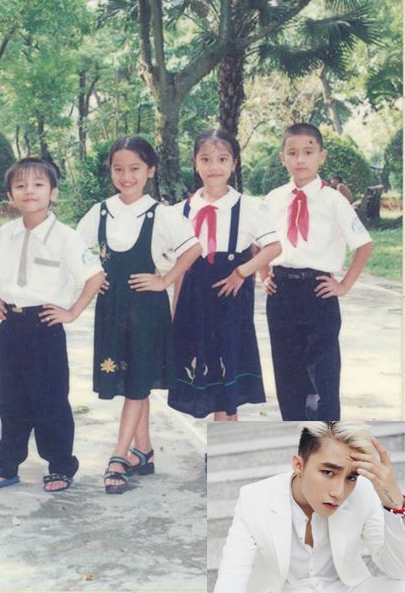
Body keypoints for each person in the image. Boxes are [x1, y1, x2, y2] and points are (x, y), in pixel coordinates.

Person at [77, 136, 201, 493]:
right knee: (134, 380)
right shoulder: (100, 211)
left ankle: (119, 455)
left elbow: (193, 249)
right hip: (111, 309)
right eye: (118, 169)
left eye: (134, 168)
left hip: (146, 311)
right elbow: (76, 249)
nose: (126, 176)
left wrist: (164, 280)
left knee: (137, 382)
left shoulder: (161, 214)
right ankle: (143, 451)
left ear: (150, 170)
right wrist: (93, 275)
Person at [0, 157, 105, 493]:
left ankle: (60, 466)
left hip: (45, 326)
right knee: (10, 398)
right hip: (11, 327)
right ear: (11, 195)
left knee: (50, 399)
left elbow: (95, 276)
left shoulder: (65, 237)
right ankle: (5, 466)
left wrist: (72, 312)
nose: (29, 191)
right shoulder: (5, 233)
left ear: (53, 192)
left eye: (38, 184)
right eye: (20, 186)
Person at [260, 123, 373, 420]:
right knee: (287, 376)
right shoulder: (273, 199)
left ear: (321, 157)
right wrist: (264, 275)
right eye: (292, 153)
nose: (300, 159)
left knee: (322, 377)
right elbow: (258, 242)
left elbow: (364, 245)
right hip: (281, 293)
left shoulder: (334, 200)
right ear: (282, 158)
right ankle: (295, 441)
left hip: (318, 291)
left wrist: (344, 286)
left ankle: (326, 442)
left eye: (308, 152)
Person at [167, 129, 281, 421]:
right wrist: (175, 308)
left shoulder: (250, 207)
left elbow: (273, 247)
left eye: (222, 159)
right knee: (204, 373)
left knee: (227, 375)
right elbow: (179, 266)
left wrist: (242, 273)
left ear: (234, 163)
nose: (214, 166)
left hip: (230, 297)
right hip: (194, 300)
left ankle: (223, 436)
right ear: (195, 163)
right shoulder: (180, 211)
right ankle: (225, 434)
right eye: (205, 159)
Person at [214, 421, 405, 593]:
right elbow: (232, 575)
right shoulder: (254, 498)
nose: (339, 492)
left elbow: (399, 569)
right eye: (328, 472)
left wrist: (395, 503)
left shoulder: (364, 493)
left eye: (351, 477)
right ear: (299, 465)